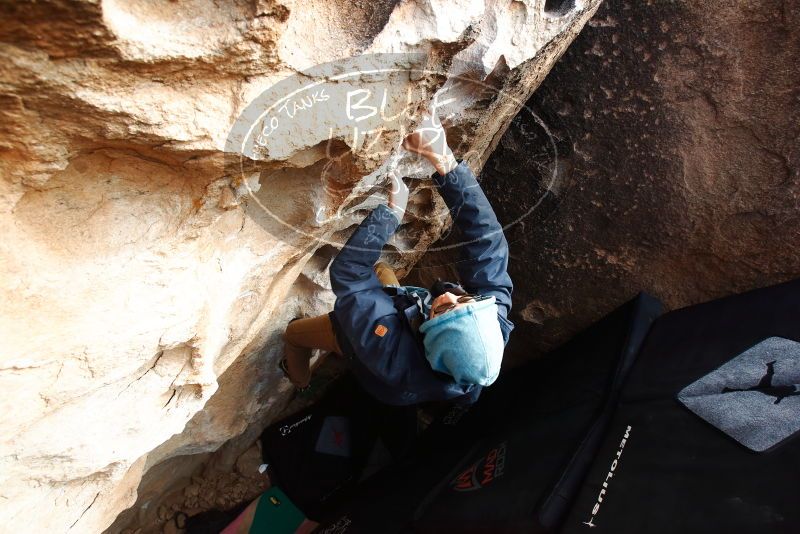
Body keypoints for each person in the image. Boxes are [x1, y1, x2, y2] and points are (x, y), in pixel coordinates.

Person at [280, 114, 514, 406]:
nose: (448, 297)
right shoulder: (488, 324)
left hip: (367, 344)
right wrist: (444, 160)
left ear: (433, 339)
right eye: (464, 301)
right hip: (402, 317)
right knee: (382, 270)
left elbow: (350, 276)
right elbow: (487, 243)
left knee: (294, 334)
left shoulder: (388, 347)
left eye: (443, 312)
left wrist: (390, 214)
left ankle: (299, 379)